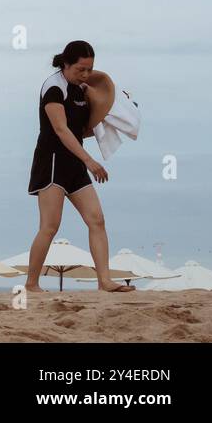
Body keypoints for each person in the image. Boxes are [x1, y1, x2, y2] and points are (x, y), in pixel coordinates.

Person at [24, 40, 133, 293]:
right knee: (50, 226)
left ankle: (104, 281)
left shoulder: (80, 89)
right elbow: (61, 130)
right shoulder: (54, 88)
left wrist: (118, 116)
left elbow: (81, 130)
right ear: (66, 64)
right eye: (80, 69)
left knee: (97, 219)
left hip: (74, 162)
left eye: (89, 69)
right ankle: (31, 284)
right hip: (52, 161)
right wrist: (90, 161)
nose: (85, 74)